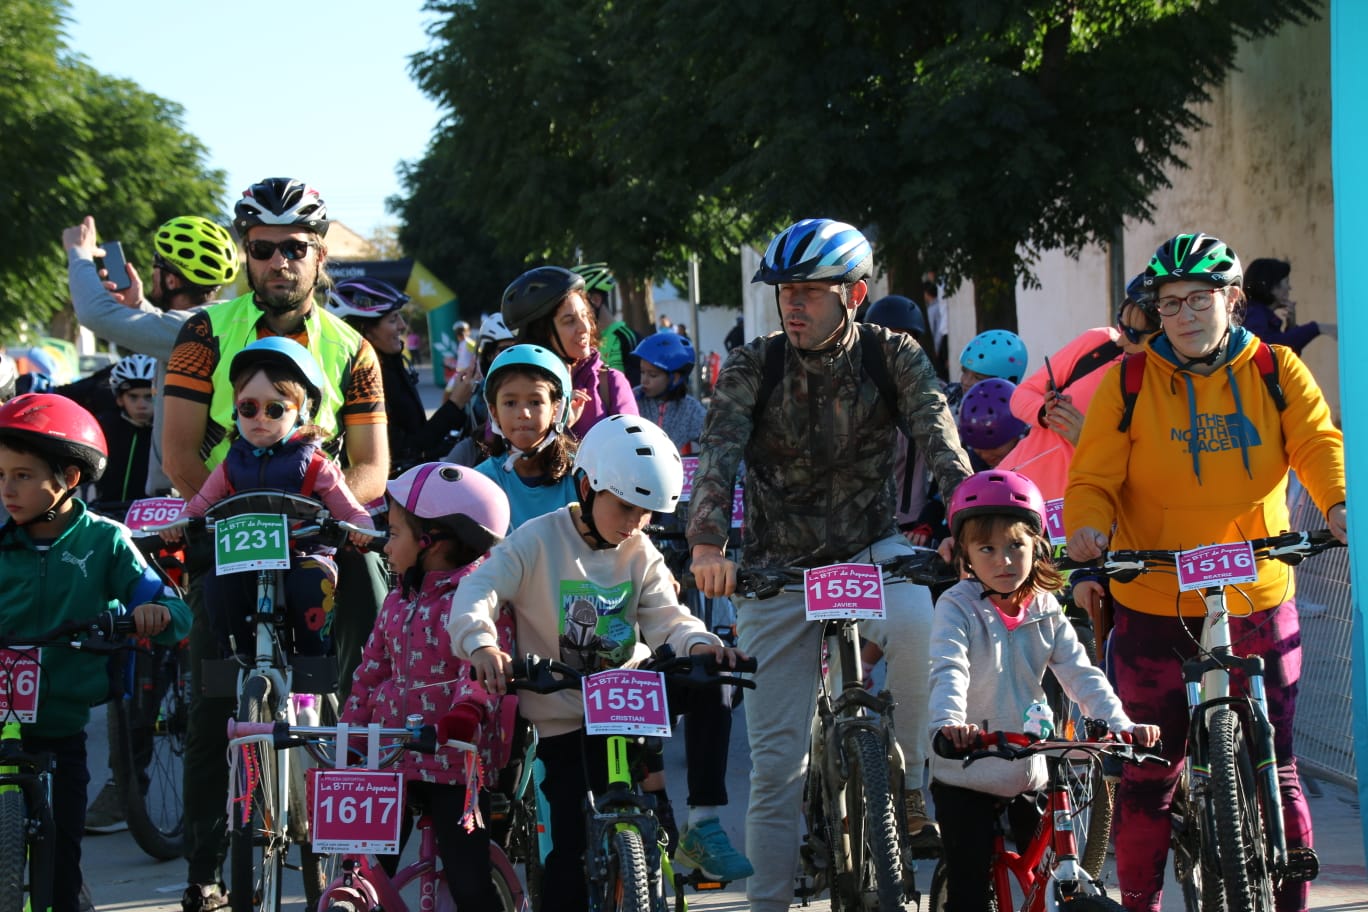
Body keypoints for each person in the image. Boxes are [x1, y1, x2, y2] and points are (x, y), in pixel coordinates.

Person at [686, 218, 974, 912]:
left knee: (914, 622)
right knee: (778, 768)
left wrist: (968, 522)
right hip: (774, 567)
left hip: (868, 547)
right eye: (786, 290)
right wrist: (706, 548)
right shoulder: (755, 366)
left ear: (855, 293)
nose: (793, 304)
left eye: (811, 292)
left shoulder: (892, 355)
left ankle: (907, 788)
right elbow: (719, 456)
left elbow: (939, 434)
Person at [1065, 231, 1347, 912]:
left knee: (1275, 768)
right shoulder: (1128, 381)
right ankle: (1140, 903)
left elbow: (1316, 440)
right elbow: (1094, 474)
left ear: (1233, 301)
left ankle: (1291, 901)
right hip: (1155, 600)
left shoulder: (1275, 370)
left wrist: (1339, 504)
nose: (1185, 314)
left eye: (1200, 299)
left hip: (1257, 592)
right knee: (1149, 776)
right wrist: (1087, 527)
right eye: (1169, 304)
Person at [160, 177, 388, 912]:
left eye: (296, 248)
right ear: (244, 255)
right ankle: (204, 871)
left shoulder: (353, 349)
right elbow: (181, 452)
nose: (279, 262)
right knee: (210, 696)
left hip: (318, 532)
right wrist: (228, 513)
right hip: (233, 521)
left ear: (320, 257)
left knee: (360, 675)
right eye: (263, 249)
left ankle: (359, 850)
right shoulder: (202, 333)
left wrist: (338, 520)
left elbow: (371, 463)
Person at [449, 415, 748, 912]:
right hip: (562, 708)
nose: (635, 522)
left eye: (647, 513)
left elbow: (668, 617)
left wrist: (700, 644)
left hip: (629, 699)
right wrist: (482, 646)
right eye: (626, 506)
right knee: (568, 851)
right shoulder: (535, 539)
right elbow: (477, 590)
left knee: (712, 678)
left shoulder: (639, 551)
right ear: (587, 486)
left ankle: (704, 823)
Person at [930, 469, 1159, 912]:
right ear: (966, 556)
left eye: (1016, 545)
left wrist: (1120, 724)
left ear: (1037, 546)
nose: (1004, 561)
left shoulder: (1047, 606)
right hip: (968, 768)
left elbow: (1080, 674)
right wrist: (949, 724)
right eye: (987, 549)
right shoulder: (955, 607)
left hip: (1028, 765)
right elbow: (948, 669)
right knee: (970, 888)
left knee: (1047, 875)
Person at [0, 392, 191, 912]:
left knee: (62, 858)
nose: (7, 489)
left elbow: (173, 609)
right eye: (1, 476)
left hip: (60, 726)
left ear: (67, 479)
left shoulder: (106, 540)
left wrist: (157, 613)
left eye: (22, 475)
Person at [341, 462, 516, 912]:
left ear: (431, 542)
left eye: (394, 532)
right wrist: (350, 735)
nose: (386, 542)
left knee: (469, 883)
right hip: (392, 754)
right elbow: (371, 672)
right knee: (359, 870)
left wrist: (465, 714)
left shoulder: (478, 597)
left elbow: (481, 676)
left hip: (454, 762)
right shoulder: (399, 597)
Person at [164, 338, 374, 657]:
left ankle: (312, 658)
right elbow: (198, 507)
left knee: (310, 586)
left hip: (304, 556)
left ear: (302, 412)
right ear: (236, 411)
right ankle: (241, 654)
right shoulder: (231, 464)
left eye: (275, 409)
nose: (260, 418)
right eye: (249, 408)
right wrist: (179, 525)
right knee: (217, 588)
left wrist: (360, 527)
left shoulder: (316, 465)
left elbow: (351, 510)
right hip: (244, 559)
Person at [63, 214, 240, 495]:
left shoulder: (192, 328)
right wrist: (138, 305)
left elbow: (94, 315)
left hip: (184, 498)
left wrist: (79, 253)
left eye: (155, 267)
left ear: (171, 280)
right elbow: (171, 334)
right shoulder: (219, 320)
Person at [1001, 285, 1160, 502]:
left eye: (1134, 335)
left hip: (1075, 515)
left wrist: (1085, 440)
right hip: (1010, 488)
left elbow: (1142, 480)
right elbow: (1020, 396)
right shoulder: (1100, 344)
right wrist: (1044, 413)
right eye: (1122, 326)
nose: (1121, 341)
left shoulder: (1165, 394)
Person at [325, 277, 472, 471]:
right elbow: (405, 450)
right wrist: (455, 404)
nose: (402, 325)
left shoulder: (392, 365)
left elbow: (418, 435)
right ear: (364, 331)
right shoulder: (361, 381)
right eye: (393, 319)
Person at [500, 265, 637, 438]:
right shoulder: (513, 389)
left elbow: (635, 454)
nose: (584, 327)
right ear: (542, 332)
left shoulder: (610, 383)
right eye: (569, 321)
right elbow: (504, 458)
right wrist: (561, 425)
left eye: (585, 316)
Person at [472, 344, 581, 530]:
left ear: (557, 409)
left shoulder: (582, 477)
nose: (523, 413)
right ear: (494, 412)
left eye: (535, 402)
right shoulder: (480, 483)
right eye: (510, 402)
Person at [91, 354, 158, 505]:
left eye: (149, 397)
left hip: (152, 516)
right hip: (107, 510)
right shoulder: (103, 427)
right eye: (133, 397)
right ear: (119, 399)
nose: (141, 405)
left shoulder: (165, 430)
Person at [1241, 257, 1336, 355]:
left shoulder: (1259, 314)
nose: (1289, 288)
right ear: (1272, 287)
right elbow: (1269, 350)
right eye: (1286, 282)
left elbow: (1288, 360)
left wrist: (1291, 327)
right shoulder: (1253, 314)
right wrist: (1316, 328)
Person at [631, 332, 706, 452]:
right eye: (642, 372)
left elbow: (718, 443)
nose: (644, 380)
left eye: (652, 375)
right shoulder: (633, 399)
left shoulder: (690, 409)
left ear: (675, 378)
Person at [573, 262, 640, 385]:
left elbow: (636, 393)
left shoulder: (625, 338)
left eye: (580, 303)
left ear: (596, 300)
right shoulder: (581, 340)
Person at [958, 378, 1028, 471]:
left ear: (1020, 435)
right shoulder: (970, 466)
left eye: (994, 447)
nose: (985, 456)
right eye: (978, 449)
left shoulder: (1037, 461)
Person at [922, 280, 949, 381]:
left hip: (939, 344)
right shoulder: (937, 306)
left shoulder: (933, 309)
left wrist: (936, 348)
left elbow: (936, 330)